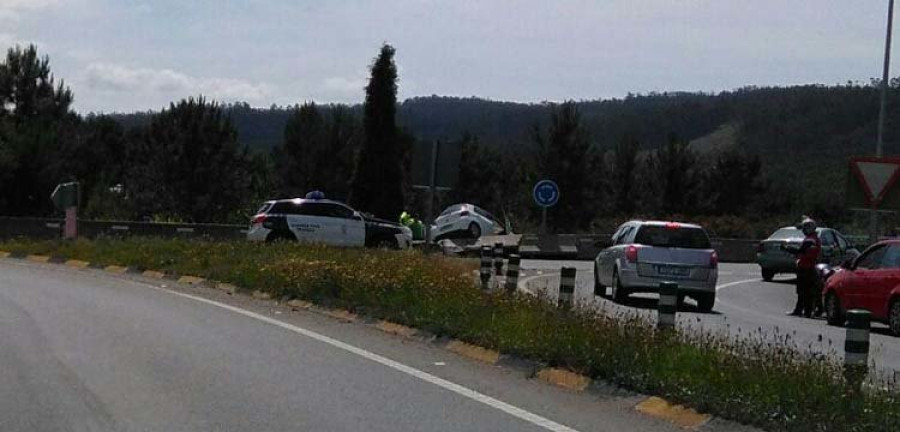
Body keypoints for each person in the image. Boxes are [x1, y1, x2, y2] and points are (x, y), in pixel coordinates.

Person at [783, 217, 822, 317]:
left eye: (805, 228)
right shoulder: (813, 239)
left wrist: (787, 248)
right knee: (803, 291)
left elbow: (800, 250)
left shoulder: (811, 240)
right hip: (806, 267)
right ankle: (799, 310)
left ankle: (806, 311)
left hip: (806, 268)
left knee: (805, 291)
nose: (803, 230)